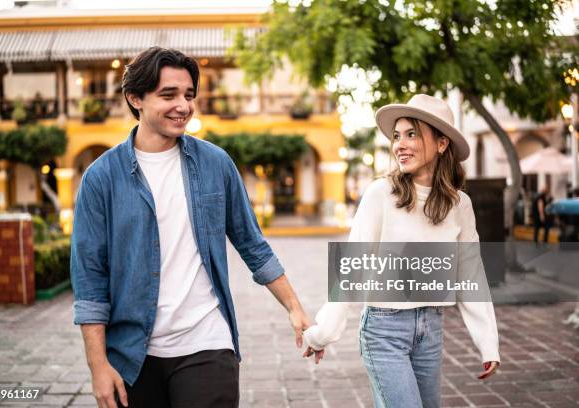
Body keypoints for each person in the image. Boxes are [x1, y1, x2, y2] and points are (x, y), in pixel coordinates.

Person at [70, 47, 316, 408]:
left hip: (207, 343)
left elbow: (252, 244)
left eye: (188, 95)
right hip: (131, 355)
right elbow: (90, 276)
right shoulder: (101, 178)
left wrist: (295, 308)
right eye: (168, 95)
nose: (183, 106)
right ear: (135, 98)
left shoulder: (216, 164)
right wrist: (97, 365)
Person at [302, 94, 500, 407]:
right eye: (397, 136)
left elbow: (470, 274)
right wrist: (322, 332)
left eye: (412, 134)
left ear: (441, 143)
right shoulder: (381, 194)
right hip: (383, 331)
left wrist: (488, 344)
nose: (400, 145)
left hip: (431, 329)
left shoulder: (460, 205)